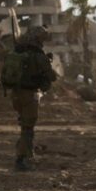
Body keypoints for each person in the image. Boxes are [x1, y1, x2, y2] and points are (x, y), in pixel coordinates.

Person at [7, 25, 57, 171]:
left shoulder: (17, 53)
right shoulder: (38, 55)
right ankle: (21, 160)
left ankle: (27, 155)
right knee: (28, 128)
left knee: (25, 125)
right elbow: (52, 77)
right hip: (29, 94)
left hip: (15, 94)